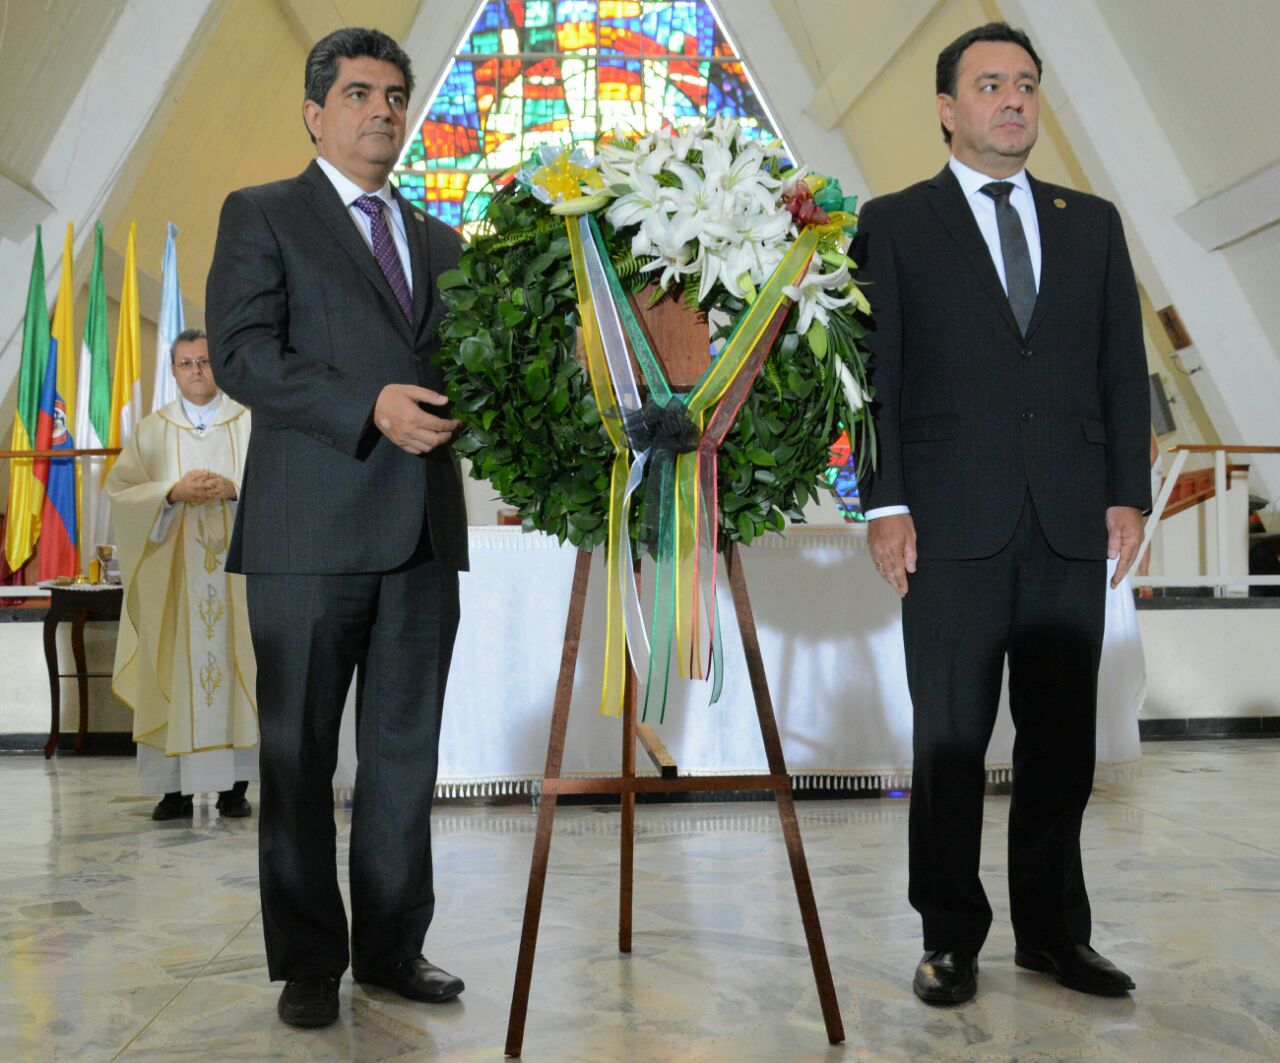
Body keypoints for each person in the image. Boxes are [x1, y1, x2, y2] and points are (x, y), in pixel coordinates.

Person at [854, 22, 1150, 1005]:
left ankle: (1055, 934)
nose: (1011, 99)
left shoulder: (1090, 222)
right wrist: (884, 501)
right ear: (947, 108)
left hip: (1068, 521)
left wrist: (1125, 490)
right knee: (948, 742)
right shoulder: (891, 224)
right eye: (989, 84)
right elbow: (873, 379)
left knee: (1059, 743)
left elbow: (1118, 367)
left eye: (1024, 83)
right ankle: (949, 936)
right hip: (944, 524)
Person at [205, 27, 470, 1029]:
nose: (382, 112)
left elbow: (469, 376)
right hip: (307, 533)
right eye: (360, 93)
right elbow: (241, 352)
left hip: (420, 540)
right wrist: (367, 407)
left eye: (396, 96)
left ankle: (393, 948)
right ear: (316, 112)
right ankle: (309, 958)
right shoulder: (262, 215)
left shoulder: (441, 241)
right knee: (299, 757)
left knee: (405, 758)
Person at [108, 329, 257, 820]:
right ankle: (173, 791)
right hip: (173, 579)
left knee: (241, 675)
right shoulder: (152, 430)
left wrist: (234, 488)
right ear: (172, 371)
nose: (197, 371)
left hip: (239, 576)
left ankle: (236, 787)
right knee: (170, 669)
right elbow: (122, 493)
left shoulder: (248, 423)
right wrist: (170, 493)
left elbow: (278, 484)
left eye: (205, 361)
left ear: (221, 366)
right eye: (186, 363)